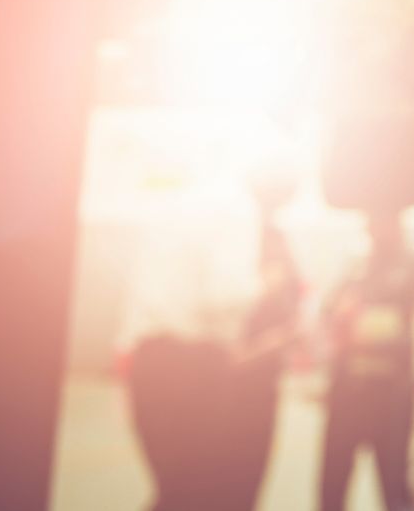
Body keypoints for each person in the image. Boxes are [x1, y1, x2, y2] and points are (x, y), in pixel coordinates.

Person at [123, 175, 300, 511]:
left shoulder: (171, 216)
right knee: (199, 493)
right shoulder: (235, 214)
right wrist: (266, 288)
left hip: (168, 370)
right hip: (210, 377)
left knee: (185, 490)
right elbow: (225, 297)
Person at [319, 210, 414, 511]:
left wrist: (367, 326)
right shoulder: (354, 267)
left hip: (391, 394)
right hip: (348, 391)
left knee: (394, 484)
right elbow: (329, 313)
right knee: (333, 484)